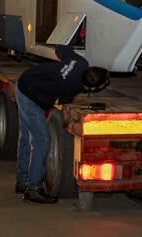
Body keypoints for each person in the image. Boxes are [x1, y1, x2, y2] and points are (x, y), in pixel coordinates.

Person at [15, 45, 110, 204]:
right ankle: (32, 189)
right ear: (91, 88)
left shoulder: (80, 63)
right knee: (42, 141)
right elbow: (65, 106)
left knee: (26, 136)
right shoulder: (71, 86)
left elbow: (61, 49)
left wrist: (64, 66)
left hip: (26, 80)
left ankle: (23, 181)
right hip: (29, 96)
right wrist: (67, 121)